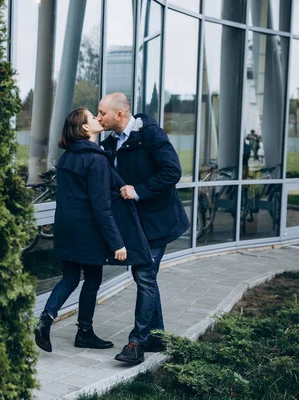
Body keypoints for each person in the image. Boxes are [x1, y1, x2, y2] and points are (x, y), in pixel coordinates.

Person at [98, 92, 190, 364]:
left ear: (119, 114)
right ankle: (157, 337)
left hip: (158, 222)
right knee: (145, 277)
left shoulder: (150, 134)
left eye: (102, 112)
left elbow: (172, 172)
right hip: (135, 224)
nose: (99, 116)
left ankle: (137, 343)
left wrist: (138, 191)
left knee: (145, 276)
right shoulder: (111, 142)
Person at [34, 108, 127, 353]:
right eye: (92, 117)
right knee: (93, 278)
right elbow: (100, 206)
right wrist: (117, 242)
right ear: (85, 128)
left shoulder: (68, 158)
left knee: (71, 277)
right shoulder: (94, 159)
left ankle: (46, 318)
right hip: (88, 230)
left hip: (65, 227)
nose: (98, 119)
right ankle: (84, 332)